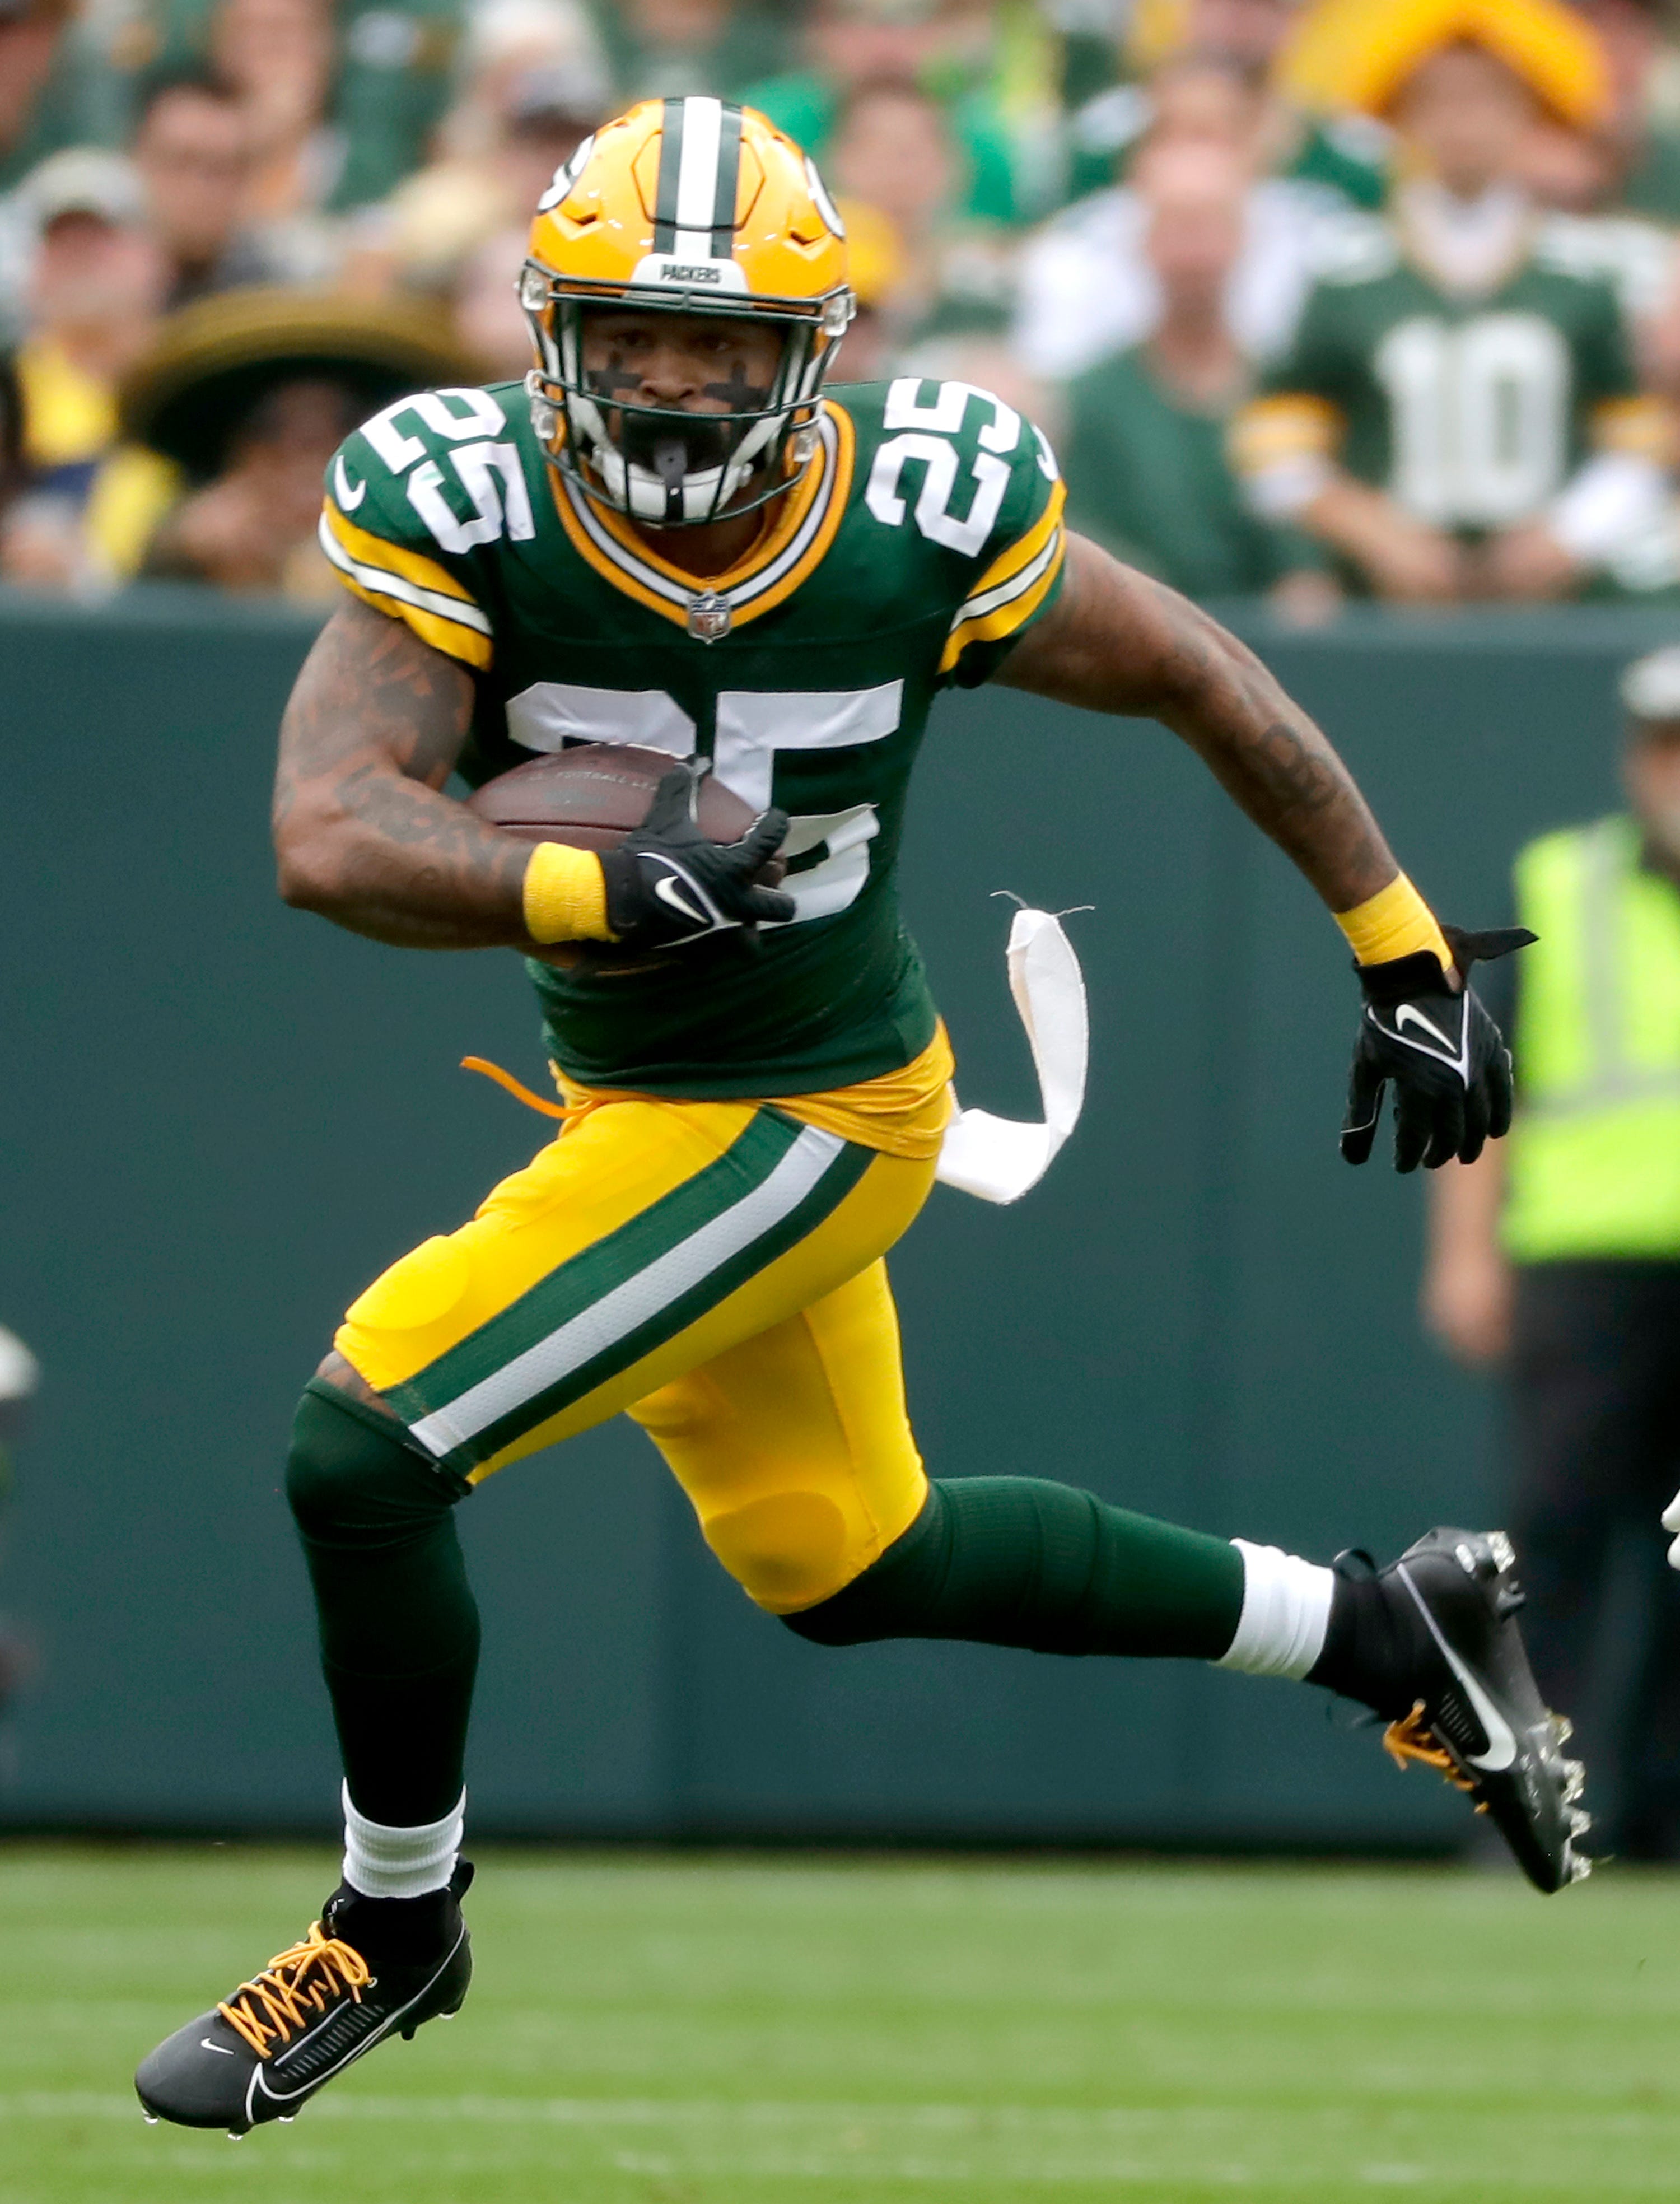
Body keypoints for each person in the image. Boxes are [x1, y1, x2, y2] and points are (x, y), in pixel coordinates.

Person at [135, 95, 1586, 2142]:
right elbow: (327, 829)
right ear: (553, 332)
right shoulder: (463, 499)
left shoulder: (920, 500)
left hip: (805, 1104)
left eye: (719, 345)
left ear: (808, 354)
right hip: (645, 1085)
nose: (667, 380)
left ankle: (393, 1921)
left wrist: (1394, 942)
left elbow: (1199, 674)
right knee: (848, 1550)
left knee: (363, 1446)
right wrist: (581, 879)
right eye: (631, 333)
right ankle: (1379, 1622)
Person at [1426, 645, 1680, 1858]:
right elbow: (1485, 1093)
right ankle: (1530, 1810)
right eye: (1666, 746)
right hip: (1584, 1269)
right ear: (1636, 759)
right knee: (1553, 1547)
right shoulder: (1563, 884)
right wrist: (1466, 1257)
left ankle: (1663, 1819)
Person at [1231, 6, 1678, 604]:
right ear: (1401, 113)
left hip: (1556, 603)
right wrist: (1368, 528)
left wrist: (1573, 531)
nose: (1463, 122)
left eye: (1489, 99)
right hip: (1386, 602)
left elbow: (1641, 438)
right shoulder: (1346, 270)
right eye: (1438, 99)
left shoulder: (1587, 273)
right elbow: (1273, 442)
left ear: (1530, 112)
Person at [1060, 138, 1335, 611]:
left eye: (1211, 227)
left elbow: (1307, 557)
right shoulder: (1091, 401)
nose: (1195, 254)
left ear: (1245, 238)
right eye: (1176, 228)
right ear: (1143, 242)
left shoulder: (1287, 392)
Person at [1012, 54, 1359, 384]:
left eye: (1212, 136)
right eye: (1172, 135)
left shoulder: (1315, 245)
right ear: (1139, 155)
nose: (1192, 158)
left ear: (1255, 150)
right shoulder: (1074, 252)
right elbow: (1052, 383)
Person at [0, 148, 172, 588]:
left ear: (153, 254)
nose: (80, 256)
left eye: (101, 238)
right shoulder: (11, 392)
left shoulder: (188, 386)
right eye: (61, 241)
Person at [130, 70, 281, 308]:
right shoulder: (80, 272)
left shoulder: (274, 294)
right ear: (137, 160)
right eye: (181, 162)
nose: (199, 188)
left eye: (222, 169)